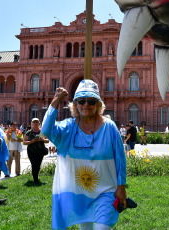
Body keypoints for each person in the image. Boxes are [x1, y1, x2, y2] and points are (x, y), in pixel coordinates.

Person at [42, 79, 127, 230]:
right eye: (81, 101)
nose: (86, 104)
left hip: (105, 191)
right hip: (79, 193)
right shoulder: (68, 127)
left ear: (98, 105)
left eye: (91, 101)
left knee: (102, 227)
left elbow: (120, 159)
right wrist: (56, 100)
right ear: (75, 105)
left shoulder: (110, 127)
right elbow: (47, 130)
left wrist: (121, 187)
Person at [23, 118, 49, 185]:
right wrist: (31, 141)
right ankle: (36, 179)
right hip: (31, 151)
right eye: (34, 122)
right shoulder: (29, 132)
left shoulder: (42, 132)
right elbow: (24, 142)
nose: (35, 123)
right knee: (34, 164)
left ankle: (36, 177)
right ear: (31, 124)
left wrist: (42, 140)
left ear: (39, 124)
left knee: (38, 165)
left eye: (37, 122)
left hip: (40, 150)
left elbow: (48, 140)